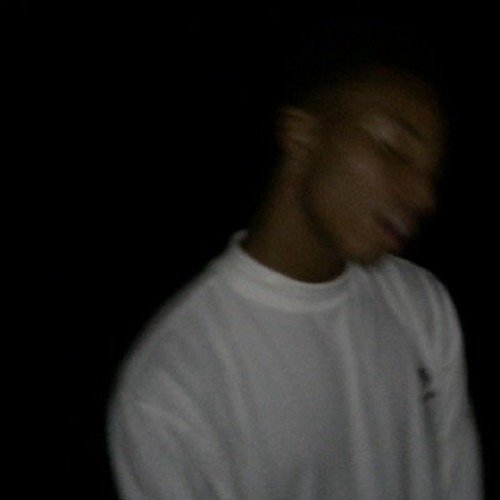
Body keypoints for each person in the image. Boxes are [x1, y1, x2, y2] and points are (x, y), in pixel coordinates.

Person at [106, 30, 483, 499]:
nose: (424, 197)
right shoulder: (174, 383)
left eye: (431, 175)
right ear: (302, 136)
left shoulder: (422, 306)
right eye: (394, 150)